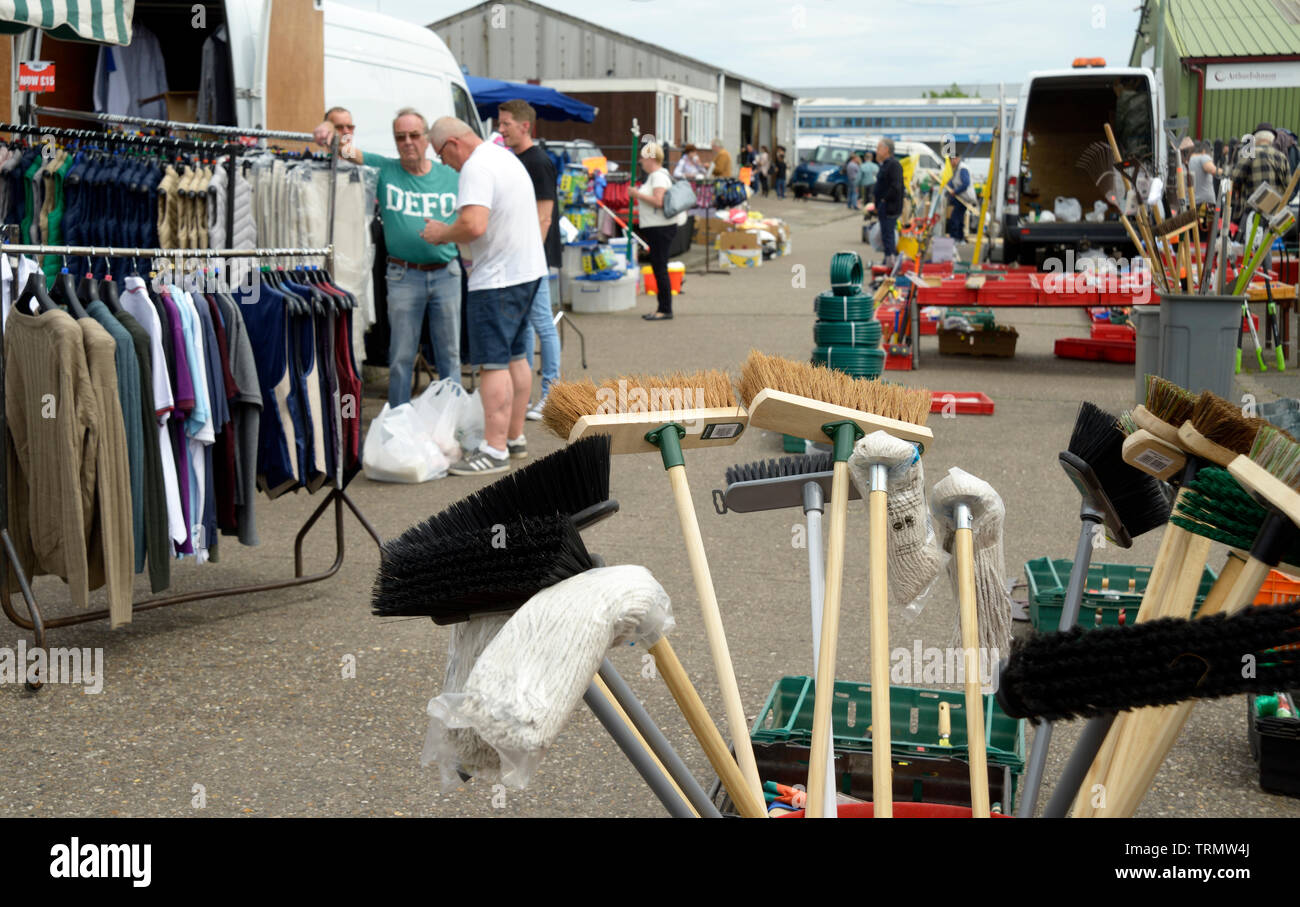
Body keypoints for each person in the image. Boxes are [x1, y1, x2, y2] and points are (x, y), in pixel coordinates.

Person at [421, 117, 548, 476]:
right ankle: (513, 437)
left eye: (442, 156)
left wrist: (440, 233)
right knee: (515, 358)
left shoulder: (476, 167)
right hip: (526, 271)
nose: (445, 164)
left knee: (492, 363)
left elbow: (474, 224)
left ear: (452, 145)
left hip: (497, 279)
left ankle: (494, 450)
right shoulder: (504, 156)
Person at [314, 107, 461, 407]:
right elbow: (345, 150)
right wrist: (326, 130)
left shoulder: (451, 175)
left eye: (414, 135)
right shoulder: (385, 168)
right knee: (400, 357)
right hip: (403, 276)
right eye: (400, 136)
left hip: (447, 273)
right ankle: (397, 425)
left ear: (427, 138)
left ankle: (453, 421)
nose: (408, 142)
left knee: (450, 357)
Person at [496, 99, 562, 425]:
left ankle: (552, 391)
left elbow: (544, 217)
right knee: (524, 327)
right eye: (500, 122)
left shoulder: (537, 162)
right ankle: (526, 393)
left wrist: (528, 257)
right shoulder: (514, 159)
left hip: (534, 259)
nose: (500, 128)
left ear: (525, 126)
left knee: (541, 324)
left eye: (506, 123)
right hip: (522, 259)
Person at [634, 141, 685, 322]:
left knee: (659, 266)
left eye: (642, 157)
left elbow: (659, 201)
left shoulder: (657, 177)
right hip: (659, 226)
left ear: (651, 158)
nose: (640, 161)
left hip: (660, 227)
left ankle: (664, 309)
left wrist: (637, 194)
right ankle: (663, 307)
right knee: (659, 266)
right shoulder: (658, 176)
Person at [1232, 125, 1292, 272]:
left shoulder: (1250, 153)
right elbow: (1288, 188)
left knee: (1250, 250)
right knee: (1266, 248)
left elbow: (1235, 178)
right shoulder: (1281, 156)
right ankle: (1267, 283)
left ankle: (1251, 283)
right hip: (1273, 214)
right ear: (1271, 139)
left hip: (1253, 213)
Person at [866, 138, 904, 267]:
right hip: (883, 207)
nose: (876, 151)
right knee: (885, 234)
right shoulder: (885, 165)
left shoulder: (894, 165)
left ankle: (891, 262)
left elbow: (896, 187)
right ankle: (888, 259)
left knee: (888, 235)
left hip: (890, 207)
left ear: (886, 149)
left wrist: (883, 200)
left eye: (878, 149)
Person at [1188, 140, 1219, 232]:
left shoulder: (1187, 160)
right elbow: (1213, 170)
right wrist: (1225, 172)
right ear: (1204, 151)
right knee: (1208, 235)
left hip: (1190, 204)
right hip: (1206, 204)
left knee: (1192, 236)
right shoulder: (1203, 157)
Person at [944, 154, 972, 242]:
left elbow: (966, 183)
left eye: (951, 160)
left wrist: (955, 191)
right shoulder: (957, 169)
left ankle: (956, 238)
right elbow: (952, 182)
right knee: (958, 219)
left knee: (955, 218)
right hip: (959, 198)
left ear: (956, 159)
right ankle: (959, 238)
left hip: (963, 198)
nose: (951, 163)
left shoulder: (962, 169)